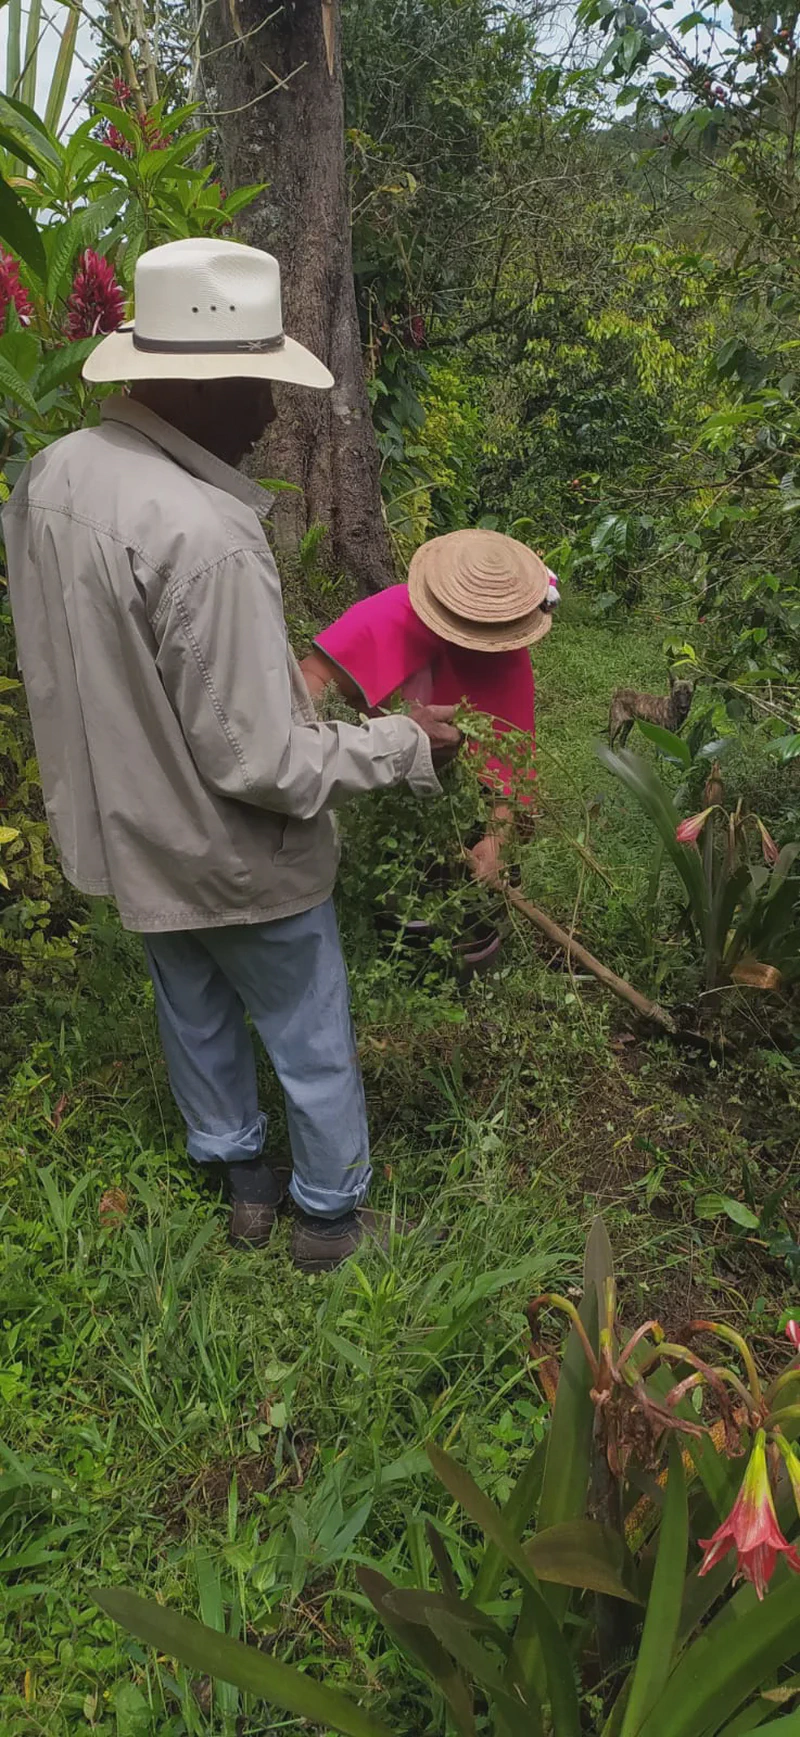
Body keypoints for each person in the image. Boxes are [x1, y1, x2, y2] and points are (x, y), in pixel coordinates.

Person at [2, 236, 461, 1273]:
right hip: (237, 853)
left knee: (193, 1008)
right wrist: (400, 743)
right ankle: (330, 1220)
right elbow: (263, 762)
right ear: (199, 385)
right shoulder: (206, 532)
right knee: (307, 1037)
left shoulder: (52, 476)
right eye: (258, 386)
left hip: (129, 831)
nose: (268, 414)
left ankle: (239, 1182)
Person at [300, 528, 557, 887]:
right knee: (393, 899)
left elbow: (510, 766)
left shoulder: (506, 650)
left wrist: (497, 841)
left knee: (471, 906)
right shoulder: (385, 617)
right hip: (379, 790)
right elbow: (309, 684)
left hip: (463, 806)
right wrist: (362, 739)